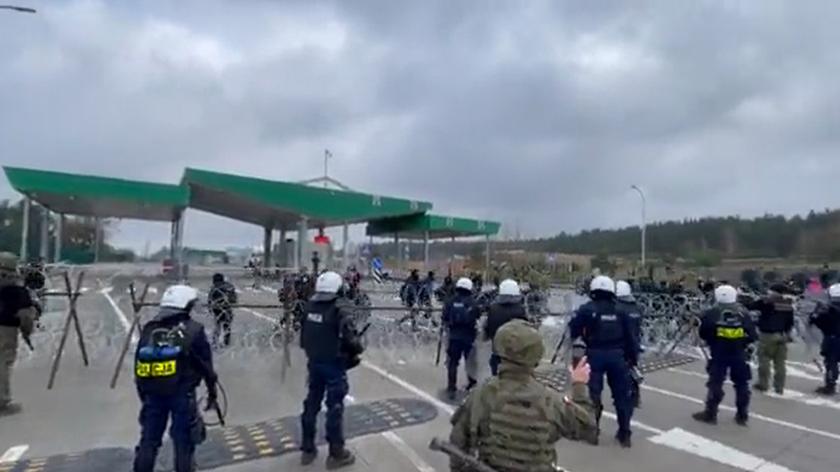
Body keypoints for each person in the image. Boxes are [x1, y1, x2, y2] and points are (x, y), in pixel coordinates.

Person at [449, 320, 598, 472]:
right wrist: (579, 384)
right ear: (536, 354)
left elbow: (458, 442)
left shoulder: (481, 394)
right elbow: (588, 429)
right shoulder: (550, 400)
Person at [133, 285, 219, 472]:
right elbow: (207, 367)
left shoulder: (149, 329)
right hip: (182, 394)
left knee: (149, 442)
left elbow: (138, 368)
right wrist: (212, 394)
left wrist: (144, 397)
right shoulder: (194, 330)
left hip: (153, 394)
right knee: (183, 442)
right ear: (185, 305)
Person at [299, 271, 363, 468]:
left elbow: (303, 337)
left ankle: (308, 448)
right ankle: (336, 453)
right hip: (333, 365)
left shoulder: (309, 306)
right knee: (334, 408)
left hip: (314, 362)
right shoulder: (340, 308)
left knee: (311, 403)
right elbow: (351, 339)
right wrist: (357, 349)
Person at [569, 275, 638, 447]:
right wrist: (633, 359)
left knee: (593, 395)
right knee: (622, 396)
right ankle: (625, 433)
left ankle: (593, 431)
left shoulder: (587, 309)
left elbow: (573, 330)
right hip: (618, 356)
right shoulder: (621, 310)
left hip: (594, 354)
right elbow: (631, 337)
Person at [692, 284, 758, 426]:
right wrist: (742, 342)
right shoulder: (743, 313)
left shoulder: (711, 313)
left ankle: (711, 413)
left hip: (718, 353)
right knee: (742, 384)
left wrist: (713, 339)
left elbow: (703, 333)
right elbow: (753, 335)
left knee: (715, 383)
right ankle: (742, 415)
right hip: (739, 353)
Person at [0, 252, 37, 416]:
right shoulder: (17, 291)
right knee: (2, 363)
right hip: (6, 329)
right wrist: (27, 332)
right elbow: (25, 316)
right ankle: (2, 402)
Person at [745, 284, 794, 395]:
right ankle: (779, 387)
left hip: (767, 335)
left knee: (764, 359)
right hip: (782, 335)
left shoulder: (766, 302)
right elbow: (790, 322)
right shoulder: (788, 304)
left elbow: (750, 306)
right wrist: (787, 334)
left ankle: (763, 384)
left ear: (774, 291)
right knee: (780, 363)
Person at [442, 278, 480, 399]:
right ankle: (472, 383)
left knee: (453, 362)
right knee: (470, 361)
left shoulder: (450, 301)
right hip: (469, 336)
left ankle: (451, 387)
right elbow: (477, 316)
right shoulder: (473, 302)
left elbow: (445, 317)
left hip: (454, 336)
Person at [484, 279, 527, 375]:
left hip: (497, 349)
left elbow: (487, 328)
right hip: (514, 352)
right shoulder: (520, 310)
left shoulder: (493, 309)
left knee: (495, 373)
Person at [616, 280, 644, 408]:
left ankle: (624, 396)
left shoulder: (618, 308)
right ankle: (635, 396)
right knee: (633, 368)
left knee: (621, 372)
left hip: (622, 344)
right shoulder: (636, 307)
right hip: (635, 342)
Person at [810, 283, 840, 395]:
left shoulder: (830, 311)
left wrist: (816, 311)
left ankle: (830, 385)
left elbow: (816, 321)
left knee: (831, 362)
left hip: (832, 339)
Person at [208, 273, 238, 348]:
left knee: (217, 325)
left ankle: (215, 341)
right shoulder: (229, 287)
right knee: (227, 325)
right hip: (227, 309)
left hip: (217, 309)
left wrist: (210, 308)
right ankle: (226, 341)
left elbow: (210, 299)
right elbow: (234, 300)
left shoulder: (214, 288)